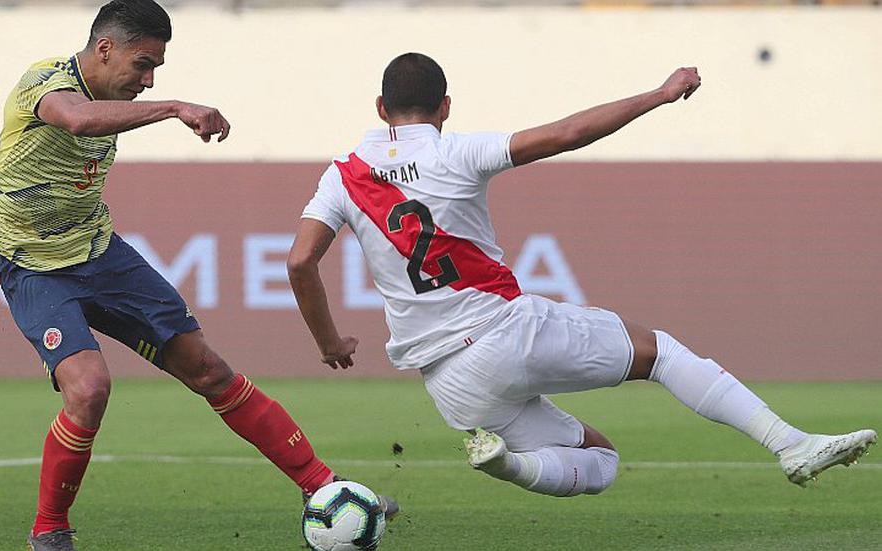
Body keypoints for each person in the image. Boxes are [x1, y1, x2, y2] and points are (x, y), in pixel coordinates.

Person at [287, 52, 876, 500]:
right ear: (445, 107)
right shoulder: (456, 152)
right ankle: (791, 445)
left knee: (601, 460)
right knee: (661, 353)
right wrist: (660, 94)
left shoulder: (342, 177)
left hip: (447, 381)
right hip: (502, 332)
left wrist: (329, 343)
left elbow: (299, 261)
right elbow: (566, 134)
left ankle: (509, 464)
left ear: (379, 108)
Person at [0, 2, 393, 549]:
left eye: (157, 72)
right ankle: (49, 530)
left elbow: (29, 167)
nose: (147, 82)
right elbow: (75, 119)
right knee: (90, 388)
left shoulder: (110, 93)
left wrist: (13, 221)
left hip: (100, 252)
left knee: (208, 369)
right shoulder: (46, 83)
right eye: (142, 65)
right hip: (35, 271)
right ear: (105, 50)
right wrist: (175, 108)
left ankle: (323, 488)